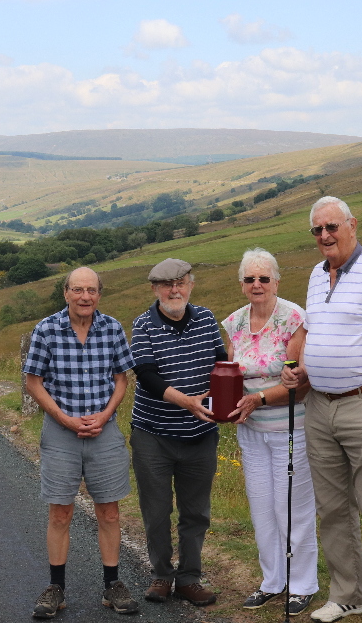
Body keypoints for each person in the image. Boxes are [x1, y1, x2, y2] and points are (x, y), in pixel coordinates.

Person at [282, 196, 362, 623]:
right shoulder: (318, 277)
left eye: (332, 227)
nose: (324, 236)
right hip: (319, 407)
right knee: (332, 508)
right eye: (317, 230)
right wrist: (300, 371)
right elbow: (315, 333)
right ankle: (350, 595)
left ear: (352, 224)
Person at [23, 267, 140, 619]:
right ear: (66, 293)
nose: (85, 296)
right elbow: (33, 381)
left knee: (109, 510)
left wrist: (105, 416)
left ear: (99, 294)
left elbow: (122, 379)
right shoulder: (46, 329)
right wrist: (63, 418)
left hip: (104, 431)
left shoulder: (113, 327)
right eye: (78, 289)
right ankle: (55, 588)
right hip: (61, 433)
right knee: (60, 511)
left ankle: (112, 586)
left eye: (91, 290)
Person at [221, 248, 319, 617]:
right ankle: (272, 581)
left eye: (264, 278)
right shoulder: (233, 323)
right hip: (250, 432)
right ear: (242, 284)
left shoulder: (294, 319)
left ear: (277, 281)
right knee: (261, 507)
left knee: (292, 506)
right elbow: (231, 374)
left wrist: (259, 398)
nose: (257, 284)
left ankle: (304, 584)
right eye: (250, 279)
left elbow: (302, 382)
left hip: (290, 428)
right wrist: (222, 403)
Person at [129, 258, 226, 607]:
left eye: (181, 283)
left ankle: (188, 578)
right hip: (153, 434)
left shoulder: (206, 318)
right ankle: (161, 575)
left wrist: (217, 403)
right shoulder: (143, 325)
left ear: (190, 285)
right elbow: (148, 376)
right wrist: (187, 401)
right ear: (155, 289)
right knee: (156, 511)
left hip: (200, 434)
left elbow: (222, 364)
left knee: (196, 512)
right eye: (167, 284)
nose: (175, 290)